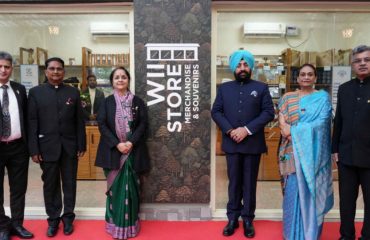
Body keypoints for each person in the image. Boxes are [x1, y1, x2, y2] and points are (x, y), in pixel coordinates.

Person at [211, 50, 275, 238]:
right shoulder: (224, 89)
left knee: (249, 183)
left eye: (245, 64)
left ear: (251, 66)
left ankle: (247, 219)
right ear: (233, 68)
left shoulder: (261, 88)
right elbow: (216, 112)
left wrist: (246, 129)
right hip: (232, 143)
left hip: (252, 143)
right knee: (234, 183)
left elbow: (268, 112)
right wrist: (231, 130)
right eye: (238, 65)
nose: (242, 68)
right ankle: (232, 218)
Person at [27, 57, 86, 237]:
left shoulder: (73, 92)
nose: (55, 72)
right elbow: (32, 122)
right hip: (47, 148)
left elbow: (79, 121)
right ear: (46, 71)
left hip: (69, 147)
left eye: (59, 69)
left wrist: (81, 144)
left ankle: (68, 219)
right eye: (51, 69)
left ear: (64, 72)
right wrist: (34, 149)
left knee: (69, 184)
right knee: (50, 186)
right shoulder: (36, 92)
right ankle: (53, 220)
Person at [278, 63, 333, 240]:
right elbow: (282, 123)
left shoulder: (323, 98)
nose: (306, 77)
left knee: (311, 191)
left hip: (314, 155)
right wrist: (287, 129)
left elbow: (323, 123)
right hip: (291, 152)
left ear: (315, 78)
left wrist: (294, 130)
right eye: (302, 74)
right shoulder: (288, 98)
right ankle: (291, 234)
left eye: (310, 74)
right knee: (292, 191)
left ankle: (310, 234)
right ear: (297, 78)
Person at [95, 67, 149, 240]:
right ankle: (115, 225)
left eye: (123, 77)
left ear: (128, 80)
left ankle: (130, 226)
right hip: (113, 152)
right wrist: (117, 144)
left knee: (131, 190)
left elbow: (143, 125)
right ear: (112, 81)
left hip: (133, 152)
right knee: (116, 191)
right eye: (117, 77)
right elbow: (102, 124)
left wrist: (130, 142)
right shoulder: (106, 102)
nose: (120, 80)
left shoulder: (138, 102)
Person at [332, 45, 370, 240]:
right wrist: (334, 149)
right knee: (346, 201)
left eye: (366, 60)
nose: (362, 63)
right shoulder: (345, 89)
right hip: (346, 155)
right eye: (358, 60)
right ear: (352, 65)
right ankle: (346, 235)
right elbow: (338, 121)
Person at [0, 51, 33, 240]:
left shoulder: (20, 89)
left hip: (18, 147)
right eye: (0, 66)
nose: (3, 70)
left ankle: (17, 224)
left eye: (7, 66)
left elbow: (27, 119)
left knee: (19, 188)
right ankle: (3, 225)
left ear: (12, 69)